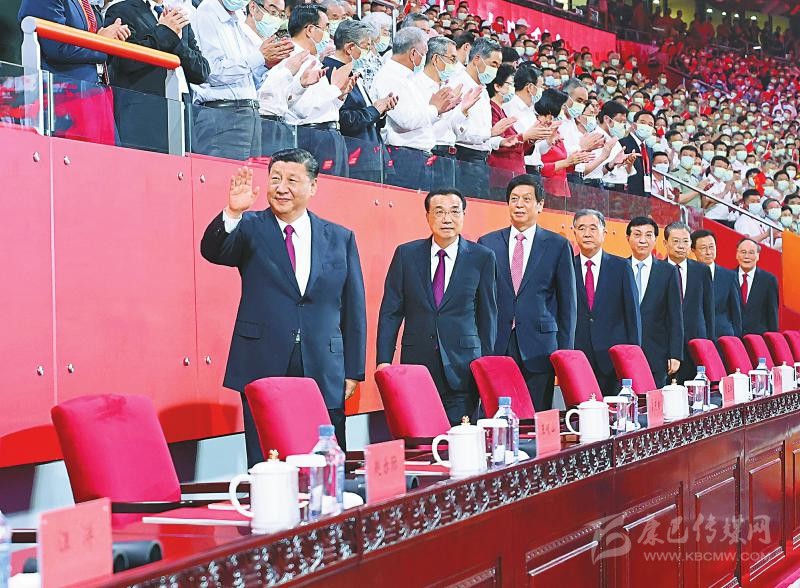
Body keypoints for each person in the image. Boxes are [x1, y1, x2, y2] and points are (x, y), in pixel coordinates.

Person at [200, 148, 367, 465]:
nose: (281, 188)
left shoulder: (339, 237)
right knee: (267, 456)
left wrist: (353, 369)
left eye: (292, 180)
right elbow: (213, 251)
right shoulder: (249, 227)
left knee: (327, 456)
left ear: (313, 186)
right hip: (262, 359)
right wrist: (232, 213)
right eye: (275, 179)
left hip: (323, 363)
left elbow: (353, 308)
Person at [377, 189, 497, 425]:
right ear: (427, 216)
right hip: (417, 364)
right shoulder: (406, 254)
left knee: (460, 437)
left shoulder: (482, 257)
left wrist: (484, 366)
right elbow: (391, 312)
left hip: (464, 369)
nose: (447, 219)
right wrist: (384, 360)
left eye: (454, 212)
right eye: (439, 212)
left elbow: (488, 317)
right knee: (419, 434)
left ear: (463, 215)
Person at [477, 175, 576, 410]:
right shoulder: (487, 243)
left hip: (540, 348)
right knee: (497, 415)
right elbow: (479, 300)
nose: (519, 205)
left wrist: (564, 355)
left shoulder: (557, 245)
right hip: (497, 344)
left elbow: (568, 305)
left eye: (526, 199)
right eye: (514, 199)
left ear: (540, 205)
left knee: (536, 417)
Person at [18, 0, 131, 145]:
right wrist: (102, 41)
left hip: (97, 96)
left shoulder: (86, 3)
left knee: (107, 157)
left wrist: (111, 38)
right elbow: (58, 47)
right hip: (64, 99)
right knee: (75, 156)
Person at [104, 0, 209, 153]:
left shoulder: (176, 16)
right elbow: (128, 62)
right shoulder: (121, 10)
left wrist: (174, 40)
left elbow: (201, 71)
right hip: (141, 118)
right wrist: (165, 32)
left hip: (182, 113)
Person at [371, 27, 459, 191]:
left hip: (417, 157)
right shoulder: (389, 77)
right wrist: (435, 108)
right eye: (424, 53)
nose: (425, 58)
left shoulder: (407, 78)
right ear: (413, 53)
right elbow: (406, 120)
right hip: (403, 157)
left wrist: (438, 109)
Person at [572, 209, 641, 397]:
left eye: (593, 228)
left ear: (604, 233)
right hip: (579, 356)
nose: (587, 234)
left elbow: (632, 314)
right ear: (574, 232)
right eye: (581, 228)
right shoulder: (566, 266)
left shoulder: (621, 266)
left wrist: (633, 356)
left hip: (614, 358)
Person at [323, 19, 397, 183]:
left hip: (372, 155)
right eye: (366, 46)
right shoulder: (330, 72)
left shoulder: (354, 72)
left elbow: (366, 112)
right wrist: (375, 110)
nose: (370, 52)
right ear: (350, 47)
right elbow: (343, 118)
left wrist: (381, 110)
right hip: (354, 158)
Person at [286, 4, 355, 177]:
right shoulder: (292, 58)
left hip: (329, 134)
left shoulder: (313, 59)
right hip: (311, 135)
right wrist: (333, 89)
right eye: (325, 28)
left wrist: (340, 95)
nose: (328, 34)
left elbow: (326, 106)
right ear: (310, 30)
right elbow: (301, 108)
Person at [449, 37, 515, 198]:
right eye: (493, 64)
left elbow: (482, 132)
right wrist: (490, 133)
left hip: (482, 159)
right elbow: (458, 131)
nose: (496, 70)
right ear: (477, 58)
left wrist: (498, 141)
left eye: (498, 66)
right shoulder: (458, 84)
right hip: (465, 159)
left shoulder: (483, 90)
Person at [626, 217, 683, 387]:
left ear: (655, 239)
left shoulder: (668, 271)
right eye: (637, 234)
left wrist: (675, 353)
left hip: (657, 353)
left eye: (648, 235)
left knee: (654, 399)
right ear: (628, 238)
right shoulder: (619, 267)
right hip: (624, 353)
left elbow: (675, 315)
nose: (642, 240)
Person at [663, 221, 714, 384]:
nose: (681, 246)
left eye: (685, 241)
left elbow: (708, 310)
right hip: (666, 345)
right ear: (665, 243)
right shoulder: (658, 270)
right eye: (676, 241)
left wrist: (709, 345)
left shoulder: (702, 270)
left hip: (696, 342)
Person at [535, 89, 592, 198]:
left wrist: (575, 160)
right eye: (562, 107)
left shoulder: (556, 131)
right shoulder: (539, 129)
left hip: (562, 189)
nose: (564, 110)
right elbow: (540, 167)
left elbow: (565, 163)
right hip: (547, 189)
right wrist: (567, 161)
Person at [691, 229, 742, 338]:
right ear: (693, 250)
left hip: (723, 336)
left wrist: (736, 340)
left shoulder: (729, 276)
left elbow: (736, 313)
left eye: (711, 247)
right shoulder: (687, 274)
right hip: (695, 335)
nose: (708, 252)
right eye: (703, 248)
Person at [486, 64, 524, 197]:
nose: (512, 88)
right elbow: (498, 142)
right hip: (500, 176)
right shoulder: (491, 109)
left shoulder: (501, 110)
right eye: (509, 84)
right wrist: (526, 136)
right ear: (497, 86)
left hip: (511, 176)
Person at [736, 238, 779, 336]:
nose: (746, 256)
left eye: (751, 253)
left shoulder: (769, 280)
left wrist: (772, 339)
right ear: (737, 254)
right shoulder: (728, 277)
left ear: (758, 256)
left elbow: (772, 315)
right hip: (732, 340)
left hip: (759, 340)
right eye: (743, 252)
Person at [619, 110, 656, 197]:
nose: (646, 126)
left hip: (645, 194)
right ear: (634, 125)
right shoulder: (622, 143)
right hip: (626, 194)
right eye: (642, 122)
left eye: (650, 125)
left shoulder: (649, 149)